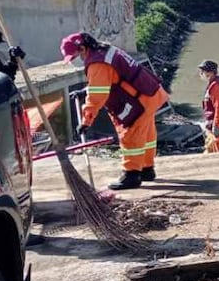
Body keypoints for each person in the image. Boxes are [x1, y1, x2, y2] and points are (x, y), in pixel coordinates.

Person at [61, 32, 169, 190]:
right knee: (146, 135)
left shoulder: (97, 63)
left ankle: (131, 175)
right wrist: (85, 91)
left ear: (83, 48)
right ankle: (146, 169)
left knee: (131, 136)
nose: (79, 60)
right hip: (150, 94)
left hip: (138, 102)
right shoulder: (105, 50)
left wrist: (86, 121)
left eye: (77, 56)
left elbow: (98, 95)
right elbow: (108, 79)